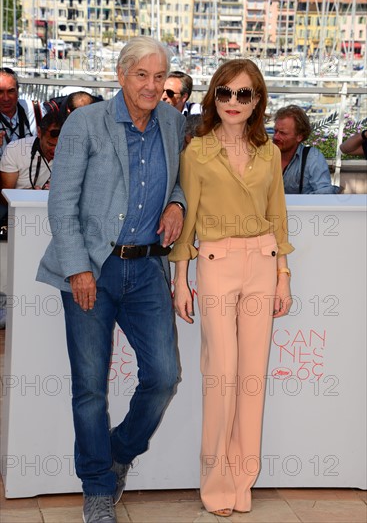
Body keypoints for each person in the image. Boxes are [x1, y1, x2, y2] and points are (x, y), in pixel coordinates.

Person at [36, 36, 186, 523]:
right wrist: (78, 267)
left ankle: (118, 451)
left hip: (145, 269)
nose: (151, 85)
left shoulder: (170, 120)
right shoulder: (85, 123)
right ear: (121, 75)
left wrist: (177, 204)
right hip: (91, 269)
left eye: (159, 76)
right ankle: (97, 487)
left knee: (164, 376)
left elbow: (177, 178)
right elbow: (61, 204)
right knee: (90, 389)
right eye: (141, 75)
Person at [170, 59, 294, 517]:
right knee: (220, 376)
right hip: (217, 263)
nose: (234, 103)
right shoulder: (197, 151)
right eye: (225, 93)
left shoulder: (267, 153)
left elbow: (278, 217)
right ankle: (216, 482)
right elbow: (186, 226)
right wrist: (180, 282)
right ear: (213, 98)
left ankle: (243, 481)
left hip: (262, 262)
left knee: (251, 380)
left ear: (258, 100)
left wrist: (284, 277)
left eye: (244, 94)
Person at [273, 104, 339, 194]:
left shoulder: (312, 158)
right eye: (275, 131)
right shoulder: (265, 155)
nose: (276, 137)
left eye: (282, 133)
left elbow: (324, 193)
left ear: (299, 137)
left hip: (298, 208)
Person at [0, 110, 63, 192]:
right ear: (39, 133)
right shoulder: (14, 149)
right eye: (50, 144)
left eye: (61, 146)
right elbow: (5, 196)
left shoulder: (76, 152)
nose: (55, 150)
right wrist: (30, 194)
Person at [0, 67, 44, 159]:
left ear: (18, 90)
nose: (6, 98)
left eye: (11, 91)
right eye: (0, 92)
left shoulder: (36, 110)